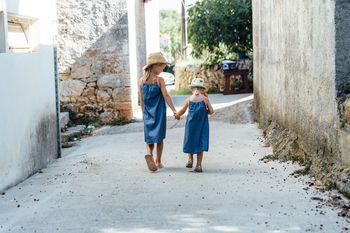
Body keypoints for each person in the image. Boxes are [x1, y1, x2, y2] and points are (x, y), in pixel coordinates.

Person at [139, 52, 177, 172]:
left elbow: (141, 99)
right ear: (155, 65)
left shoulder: (141, 81)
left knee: (149, 137)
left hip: (147, 113)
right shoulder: (159, 80)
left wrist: (142, 113)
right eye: (162, 66)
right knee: (159, 138)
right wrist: (174, 110)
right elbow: (166, 96)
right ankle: (158, 162)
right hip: (159, 113)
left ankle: (149, 156)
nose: (163, 68)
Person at [175, 78, 214, 172]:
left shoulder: (189, 99)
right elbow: (212, 111)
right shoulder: (205, 100)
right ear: (203, 89)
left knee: (190, 140)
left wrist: (177, 115)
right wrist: (205, 112)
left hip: (191, 125)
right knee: (200, 143)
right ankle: (199, 165)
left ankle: (190, 159)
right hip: (202, 125)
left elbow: (182, 111)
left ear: (191, 89)